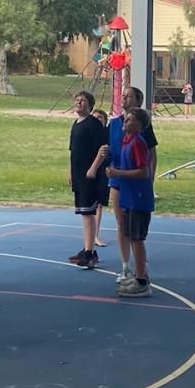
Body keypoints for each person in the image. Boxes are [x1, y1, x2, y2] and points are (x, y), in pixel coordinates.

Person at [89, 86, 157, 284]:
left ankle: (141, 273)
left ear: (137, 101)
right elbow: (106, 148)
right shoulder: (115, 124)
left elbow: (151, 155)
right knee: (123, 224)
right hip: (118, 178)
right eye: (123, 95)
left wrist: (149, 179)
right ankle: (126, 266)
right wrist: (95, 167)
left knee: (136, 230)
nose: (123, 97)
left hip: (134, 180)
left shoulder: (141, 130)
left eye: (129, 96)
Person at [107, 107, 157, 298]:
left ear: (139, 125)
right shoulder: (126, 141)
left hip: (138, 198)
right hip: (129, 196)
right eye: (125, 119)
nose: (125, 122)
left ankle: (142, 281)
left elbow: (143, 172)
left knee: (137, 239)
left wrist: (118, 173)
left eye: (129, 120)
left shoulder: (137, 143)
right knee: (131, 236)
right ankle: (138, 275)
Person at [65, 90, 109, 269]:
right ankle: (87, 248)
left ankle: (90, 252)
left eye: (82, 100)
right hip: (78, 174)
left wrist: (93, 168)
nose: (78, 102)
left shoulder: (93, 124)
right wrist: (70, 172)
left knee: (88, 212)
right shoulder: (76, 124)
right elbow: (72, 151)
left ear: (90, 105)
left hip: (89, 175)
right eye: (77, 100)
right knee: (84, 212)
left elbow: (103, 148)